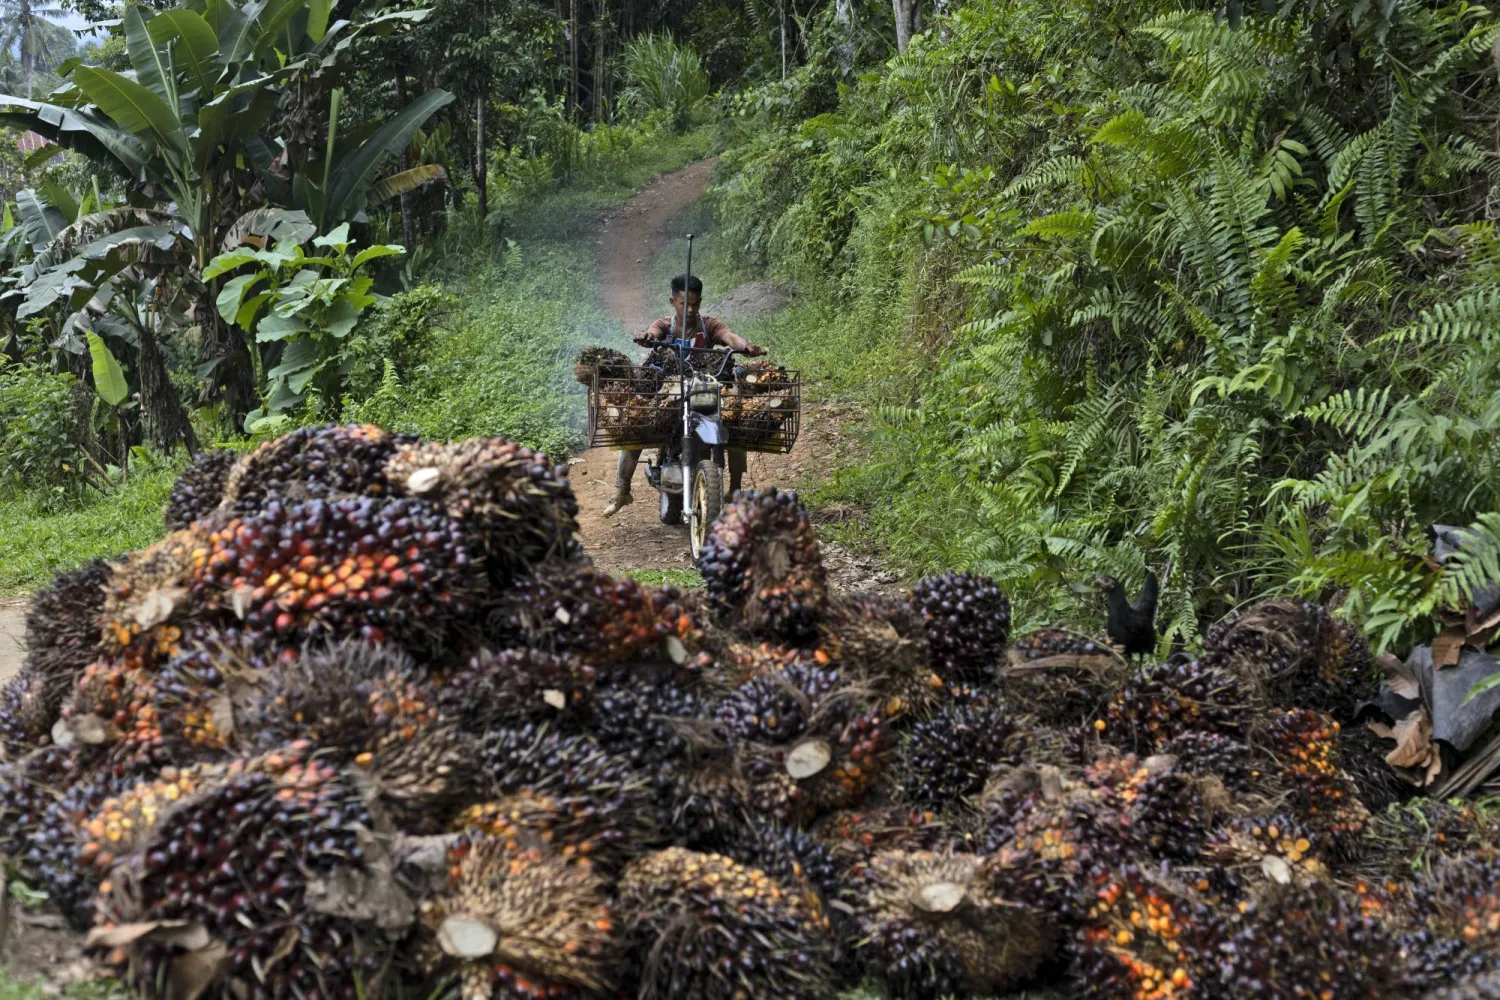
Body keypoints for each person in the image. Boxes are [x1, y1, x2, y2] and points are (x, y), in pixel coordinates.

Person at [602, 274, 765, 517]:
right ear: (672, 301)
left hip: (704, 389)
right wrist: (649, 338)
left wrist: (745, 345)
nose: (690, 310)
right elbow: (653, 332)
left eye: (695, 304)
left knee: (734, 424)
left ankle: (735, 488)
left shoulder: (709, 324)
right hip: (669, 390)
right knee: (636, 425)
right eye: (684, 304)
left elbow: (729, 336)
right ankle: (622, 490)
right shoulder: (665, 325)